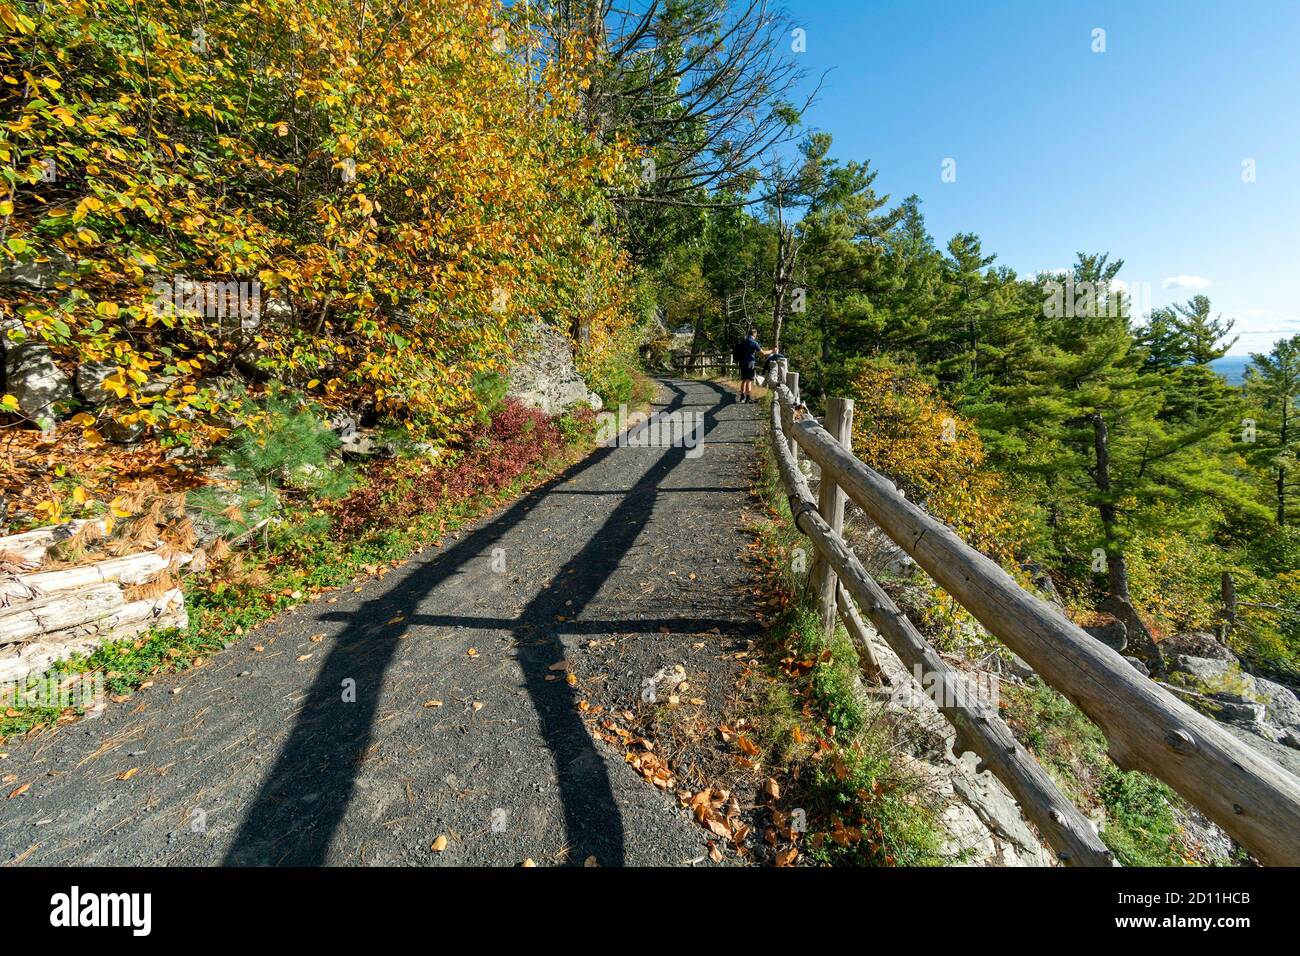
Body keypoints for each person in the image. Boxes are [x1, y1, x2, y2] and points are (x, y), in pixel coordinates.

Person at [732, 327, 772, 403]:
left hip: (742, 362)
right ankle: (748, 398)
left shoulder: (744, 341)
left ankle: (742, 397)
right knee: (749, 381)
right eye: (756, 334)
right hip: (750, 363)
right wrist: (771, 351)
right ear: (754, 334)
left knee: (744, 380)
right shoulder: (753, 342)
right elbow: (762, 353)